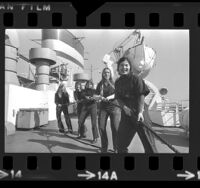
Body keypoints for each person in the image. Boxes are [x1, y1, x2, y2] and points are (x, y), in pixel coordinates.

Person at [115, 57, 155, 153]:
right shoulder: (118, 82)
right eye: (121, 65)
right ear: (118, 68)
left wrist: (140, 112)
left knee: (148, 143)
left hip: (139, 111)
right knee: (120, 143)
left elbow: (141, 94)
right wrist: (124, 108)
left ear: (130, 67)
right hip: (126, 112)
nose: (124, 67)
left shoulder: (136, 78)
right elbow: (118, 98)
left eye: (126, 65)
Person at [95, 67, 121, 153]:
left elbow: (117, 93)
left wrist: (108, 98)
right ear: (102, 74)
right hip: (103, 108)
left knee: (115, 128)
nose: (106, 74)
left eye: (108, 72)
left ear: (110, 74)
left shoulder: (114, 83)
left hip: (114, 107)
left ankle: (116, 148)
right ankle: (104, 147)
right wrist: (99, 98)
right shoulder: (100, 84)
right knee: (101, 127)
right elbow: (96, 95)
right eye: (105, 72)